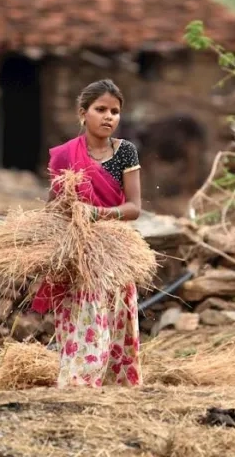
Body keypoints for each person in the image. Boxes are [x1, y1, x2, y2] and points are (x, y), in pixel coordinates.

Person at [30, 79, 143, 388]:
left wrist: (97, 213)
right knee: (84, 318)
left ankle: (116, 387)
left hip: (114, 252)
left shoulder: (125, 153)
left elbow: (134, 207)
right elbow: (53, 206)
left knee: (118, 321)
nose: (109, 117)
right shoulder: (66, 156)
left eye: (115, 111)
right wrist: (63, 216)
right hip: (79, 254)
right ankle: (79, 385)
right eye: (101, 109)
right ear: (83, 113)